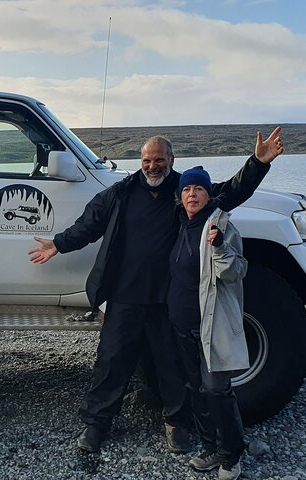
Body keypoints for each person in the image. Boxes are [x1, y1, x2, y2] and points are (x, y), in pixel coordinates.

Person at [28, 129, 283, 453]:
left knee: (171, 365)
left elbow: (229, 192)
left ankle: (176, 423)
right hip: (124, 296)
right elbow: (89, 224)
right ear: (141, 161)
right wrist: (58, 244)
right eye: (147, 160)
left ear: (171, 161)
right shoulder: (120, 192)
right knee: (111, 362)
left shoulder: (183, 191)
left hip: (167, 299)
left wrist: (258, 163)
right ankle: (96, 424)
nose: (153, 166)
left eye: (159, 160)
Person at [168, 166, 248, 480]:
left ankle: (231, 456)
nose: (192, 195)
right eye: (187, 190)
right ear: (180, 196)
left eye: (199, 190)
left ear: (208, 194)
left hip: (208, 324)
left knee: (217, 390)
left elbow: (237, 270)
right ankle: (211, 447)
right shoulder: (179, 225)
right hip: (180, 323)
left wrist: (219, 247)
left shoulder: (220, 226)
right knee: (196, 388)